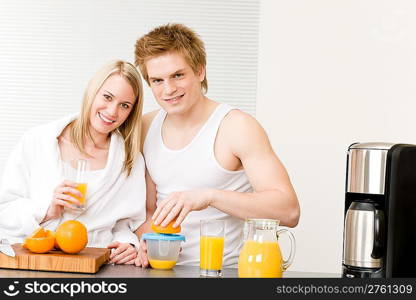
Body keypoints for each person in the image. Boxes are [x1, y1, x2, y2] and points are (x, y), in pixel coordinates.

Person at [133, 24, 300, 268]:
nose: (168, 90)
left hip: (224, 274)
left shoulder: (236, 127)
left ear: (200, 71)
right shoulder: (146, 126)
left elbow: (289, 211)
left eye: (178, 75)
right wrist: (145, 241)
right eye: (157, 80)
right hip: (163, 272)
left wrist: (209, 196)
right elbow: (146, 211)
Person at [0, 60, 145, 264]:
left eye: (124, 105)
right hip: (35, 262)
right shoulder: (37, 141)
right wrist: (47, 209)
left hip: (96, 266)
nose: (112, 111)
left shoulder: (129, 160)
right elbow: (4, 209)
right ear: (92, 92)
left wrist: (128, 244)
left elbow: (125, 224)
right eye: (107, 97)